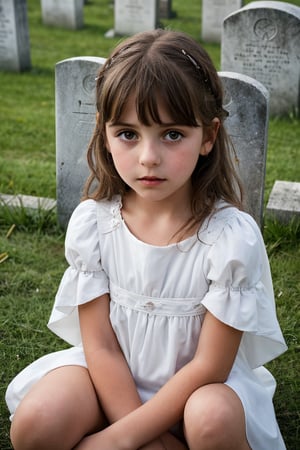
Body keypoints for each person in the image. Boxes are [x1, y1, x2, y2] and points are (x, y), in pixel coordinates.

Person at [6, 29, 287, 450]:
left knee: (211, 418)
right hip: (109, 381)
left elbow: (210, 364)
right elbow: (99, 346)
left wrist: (118, 441)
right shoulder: (94, 226)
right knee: (37, 424)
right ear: (105, 132)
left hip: (199, 392)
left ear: (207, 136)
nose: (148, 157)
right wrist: (141, 438)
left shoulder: (228, 238)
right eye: (128, 133)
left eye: (172, 134)